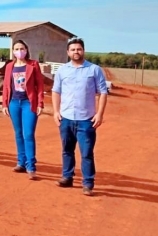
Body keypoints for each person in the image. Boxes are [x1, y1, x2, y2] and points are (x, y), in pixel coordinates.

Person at [52, 37, 108, 197]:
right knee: (67, 150)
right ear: (68, 52)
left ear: (83, 50)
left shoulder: (94, 70)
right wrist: (56, 112)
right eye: (73, 49)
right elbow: (56, 91)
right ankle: (67, 177)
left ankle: (88, 183)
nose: (76, 52)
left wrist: (99, 114)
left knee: (86, 153)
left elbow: (103, 92)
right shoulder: (62, 70)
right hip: (66, 118)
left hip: (86, 120)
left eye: (79, 49)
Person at [1, 40, 45, 179]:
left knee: (28, 134)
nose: (19, 51)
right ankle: (21, 162)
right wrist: (4, 104)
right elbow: (6, 86)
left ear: (26, 50)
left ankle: (31, 166)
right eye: (16, 48)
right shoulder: (9, 66)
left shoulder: (33, 65)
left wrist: (40, 104)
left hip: (28, 103)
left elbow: (40, 85)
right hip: (14, 103)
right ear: (13, 51)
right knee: (18, 133)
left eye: (22, 48)